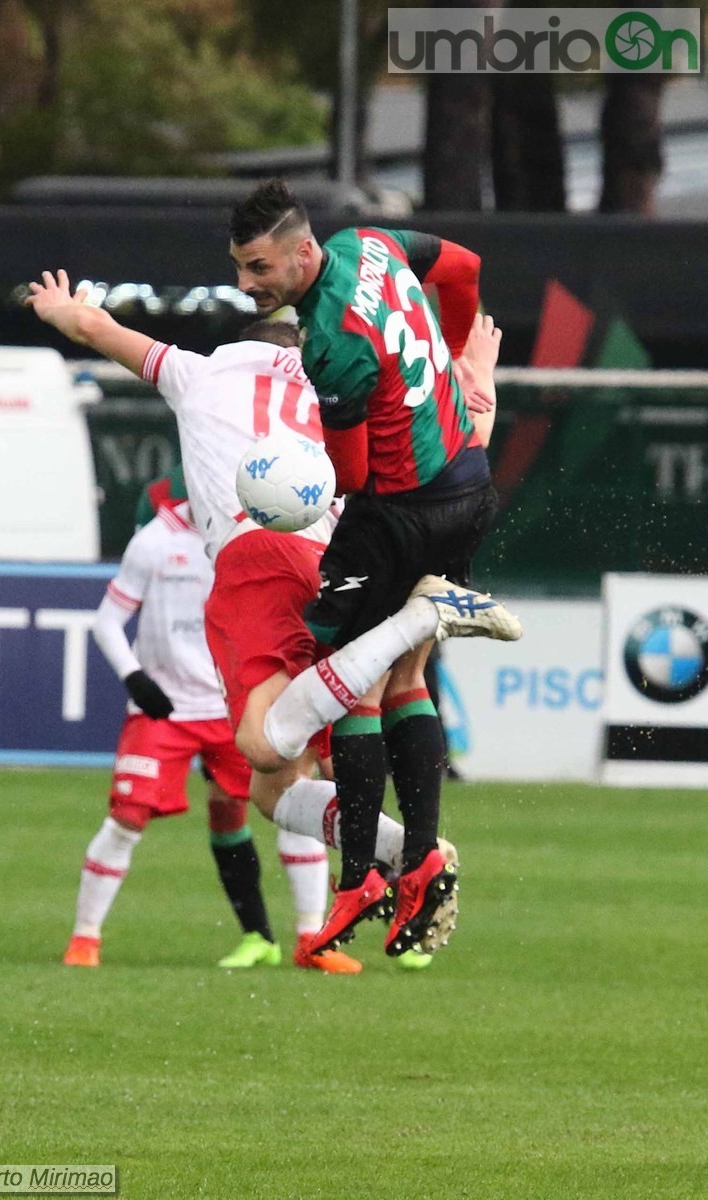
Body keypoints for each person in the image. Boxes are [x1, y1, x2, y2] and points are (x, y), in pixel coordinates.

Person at [27, 271, 514, 969]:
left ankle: (417, 628)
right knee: (277, 786)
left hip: (255, 561)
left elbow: (98, 330)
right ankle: (408, 849)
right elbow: (446, 459)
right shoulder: (344, 389)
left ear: (241, 343)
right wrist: (476, 394)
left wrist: (62, 310)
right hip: (337, 562)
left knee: (261, 746)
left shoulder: (198, 373)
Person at [228, 179, 520, 958]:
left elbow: (351, 474)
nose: (247, 285)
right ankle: (420, 851)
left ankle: (362, 870)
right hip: (468, 488)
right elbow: (461, 266)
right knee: (406, 675)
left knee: (343, 668)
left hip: (397, 515)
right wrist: (456, 358)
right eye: (240, 269)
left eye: (257, 268)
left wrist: (296, 483)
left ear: (300, 253)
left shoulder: (329, 341)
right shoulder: (375, 244)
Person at [64, 478, 361, 973]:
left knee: (288, 802)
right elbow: (106, 620)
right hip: (167, 711)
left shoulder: (252, 535)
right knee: (128, 816)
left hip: (235, 707)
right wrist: (135, 678)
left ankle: (311, 938)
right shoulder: (155, 539)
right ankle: (84, 938)